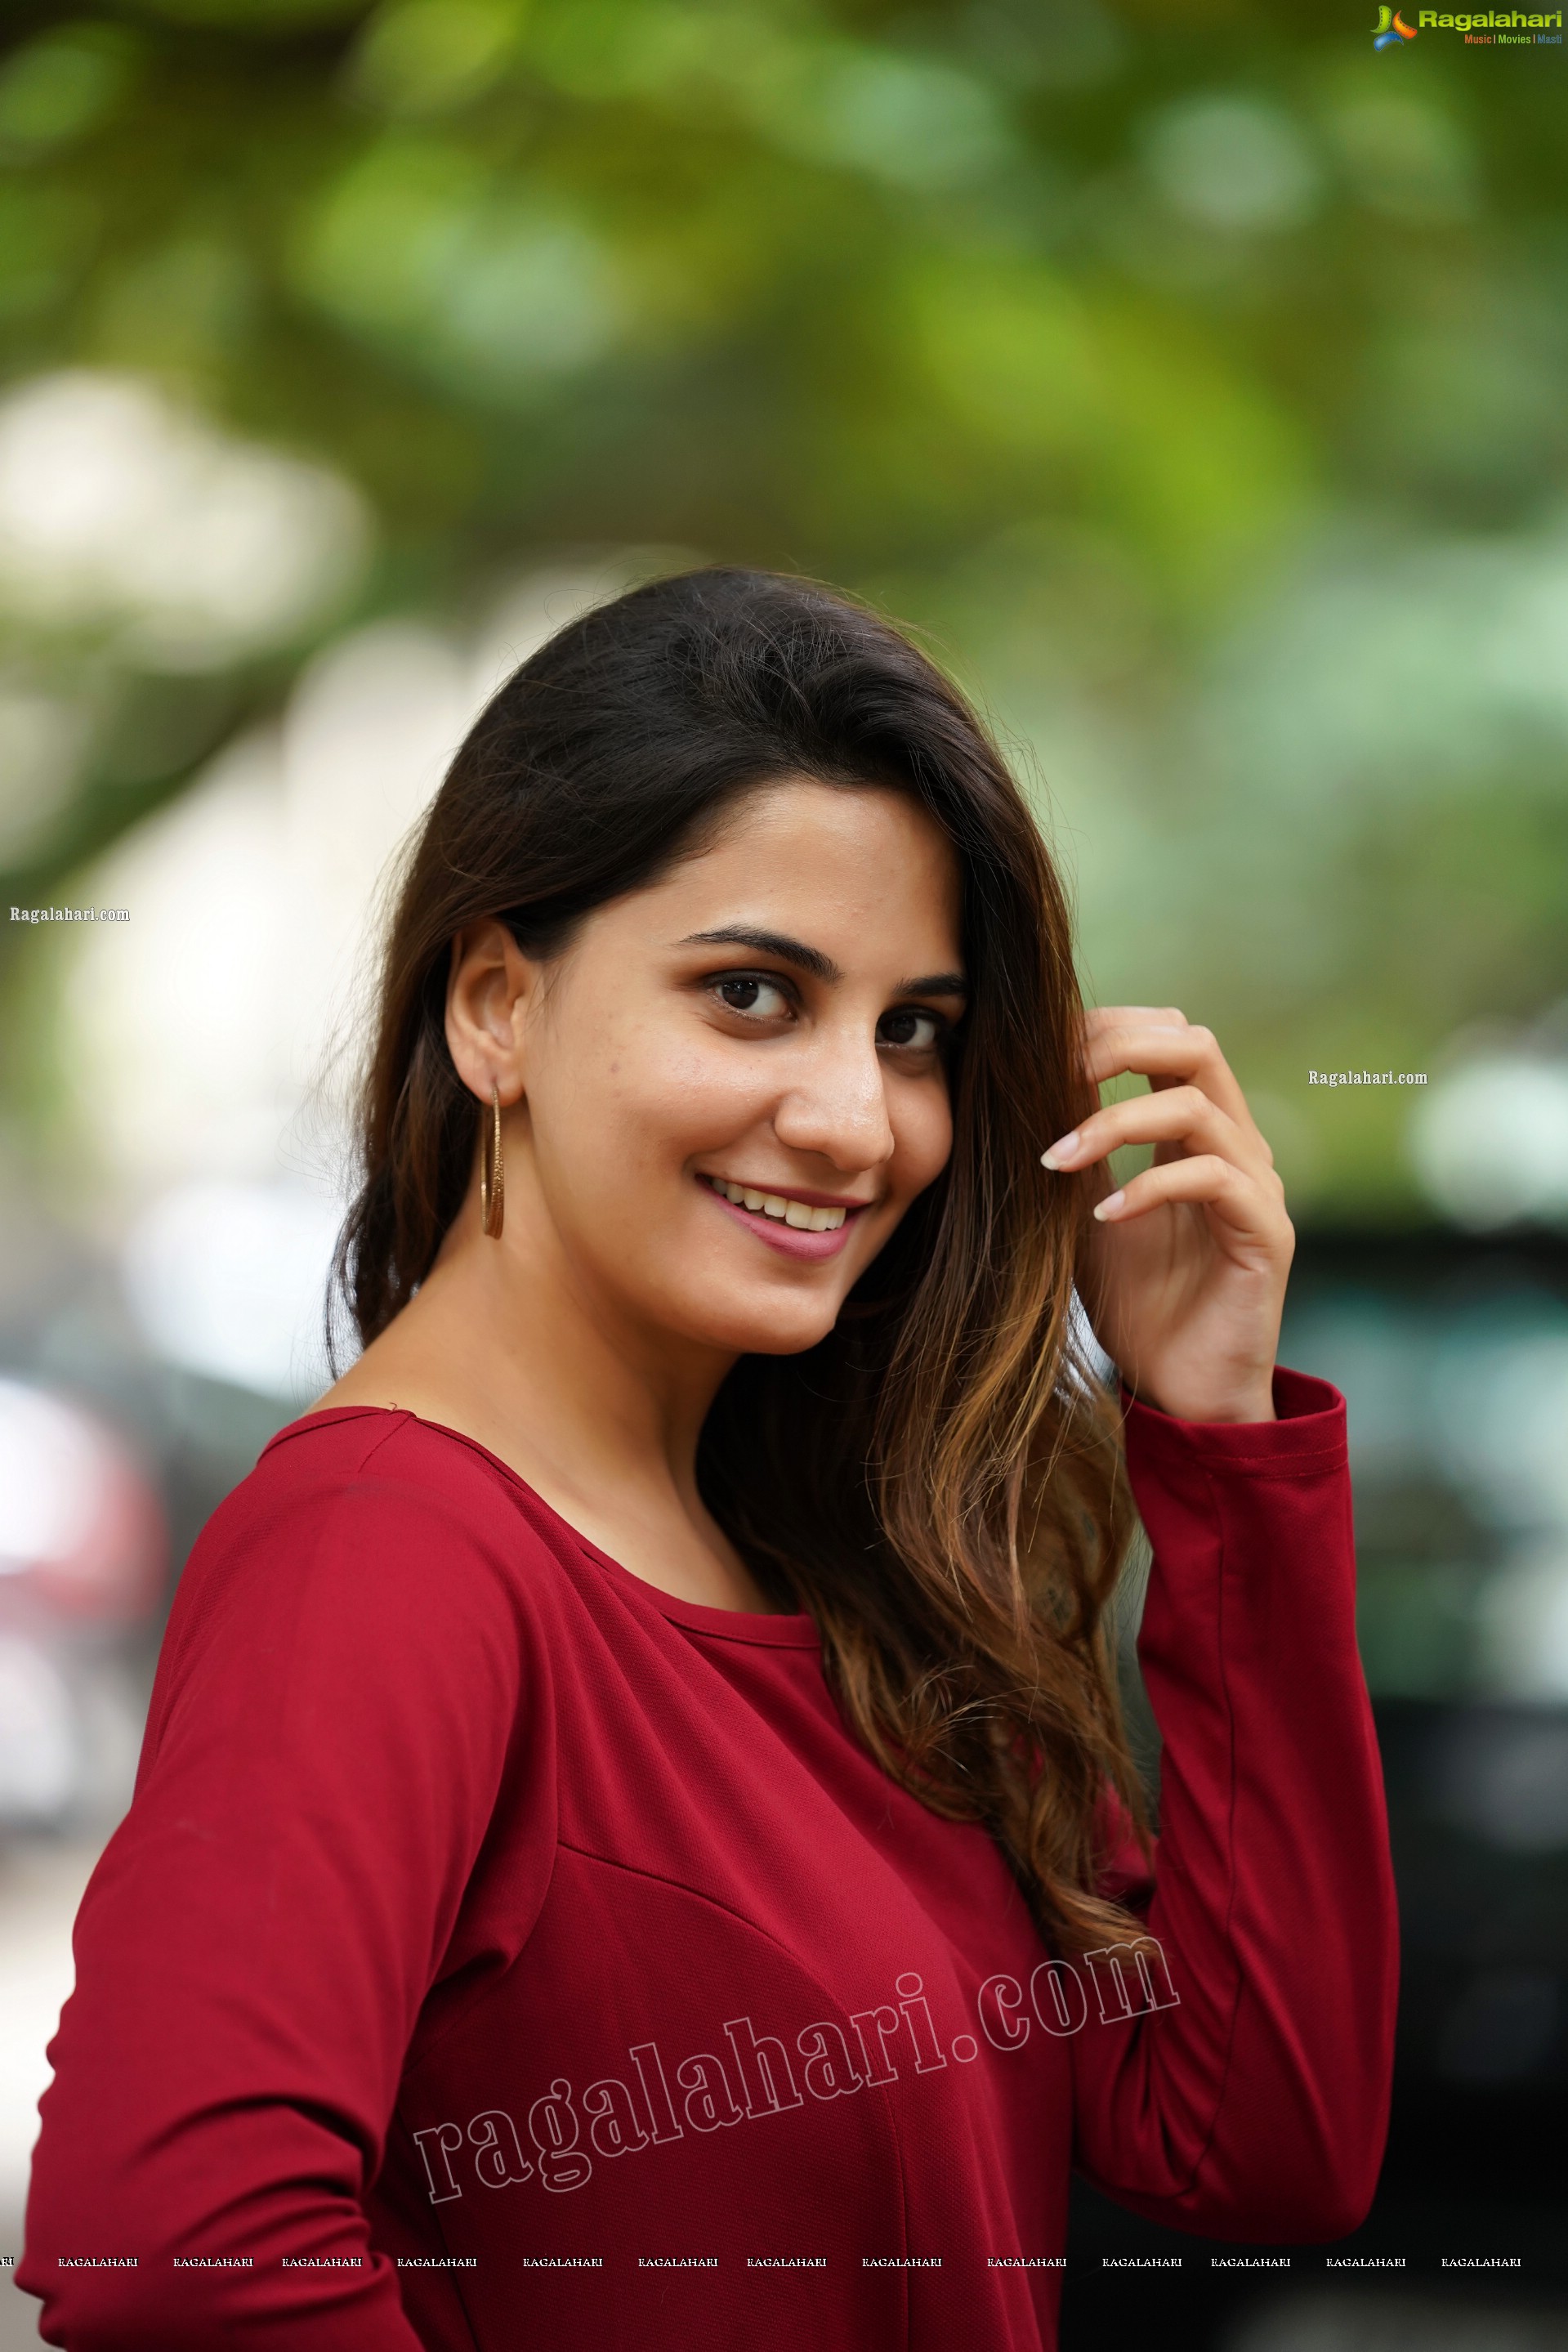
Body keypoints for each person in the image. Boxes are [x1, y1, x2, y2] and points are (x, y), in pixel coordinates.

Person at [19, 569, 1398, 2350]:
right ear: (496, 1005)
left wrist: (1216, 1439)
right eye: (753, 994)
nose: (854, 1117)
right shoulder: (391, 1549)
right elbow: (182, 2254)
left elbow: (1260, 2138)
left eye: (916, 1029)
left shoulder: (849, 1575)